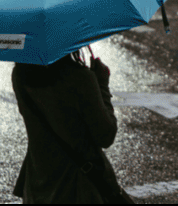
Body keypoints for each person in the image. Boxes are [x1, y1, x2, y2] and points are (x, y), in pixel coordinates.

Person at [12, 48, 122, 203]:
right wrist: (102, 84)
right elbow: (106, 135)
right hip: (77, 188)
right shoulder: (80, 78)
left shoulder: (20, 76)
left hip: (38, 183)